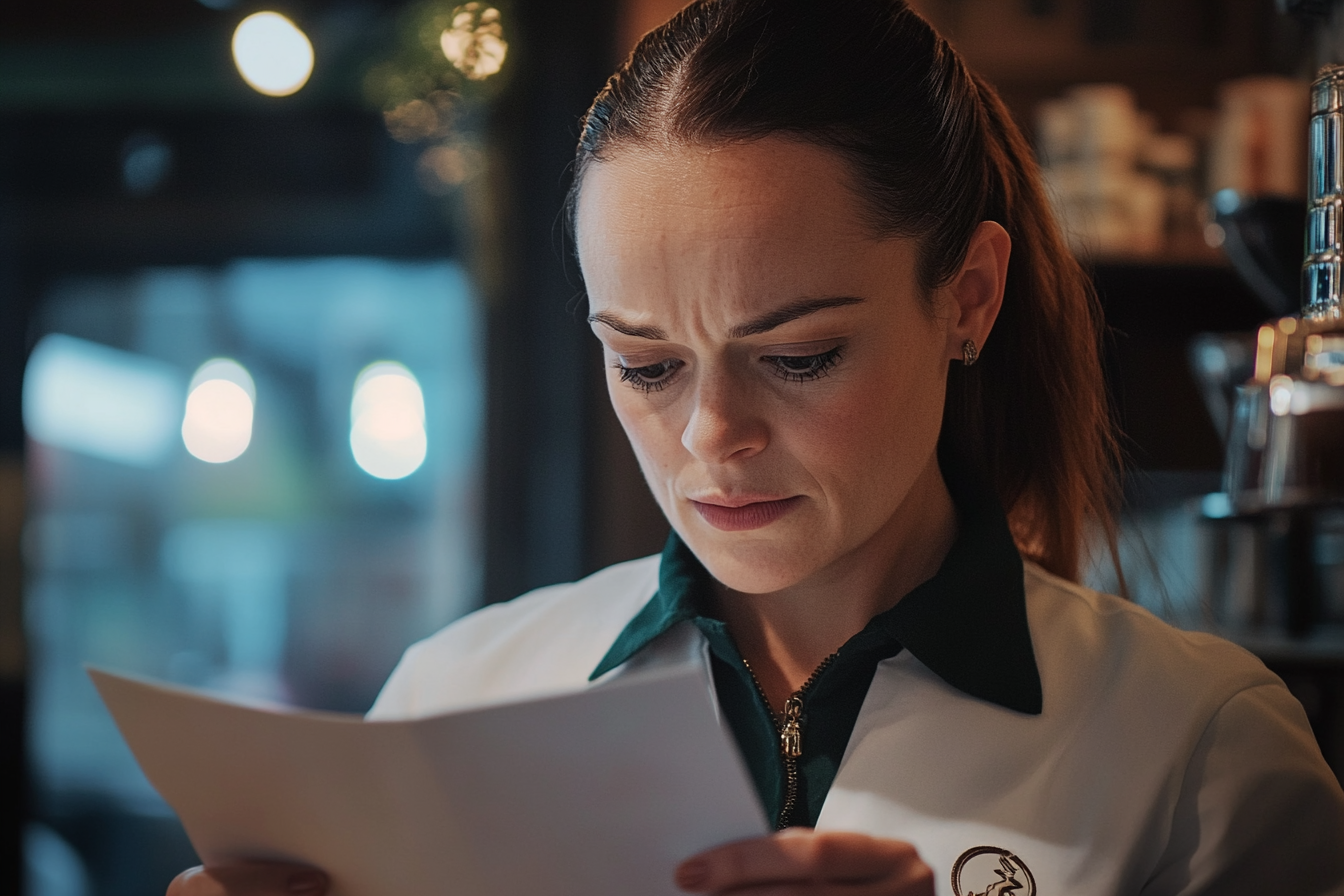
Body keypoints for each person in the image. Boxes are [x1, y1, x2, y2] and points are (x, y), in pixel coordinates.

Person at [168, 1, 1344, 894]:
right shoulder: (456, 701)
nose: (709, 434)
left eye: (797, 356)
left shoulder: (1197, 751)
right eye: (645, 363)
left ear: (968, 298)